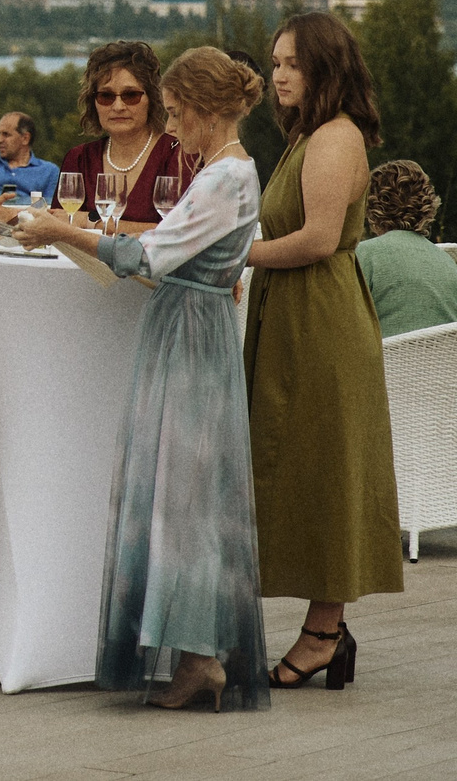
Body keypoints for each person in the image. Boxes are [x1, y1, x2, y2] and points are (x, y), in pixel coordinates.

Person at [16, 47, 272, 713]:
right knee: (186, 495)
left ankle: (199, 656)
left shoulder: (223, 178)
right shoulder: (231, 169)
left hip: (188, 335)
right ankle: (194, 653)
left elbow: (146, 253)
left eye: (180, 110)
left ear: (208, 109)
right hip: (194, 325)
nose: (174, 123)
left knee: (179, 496)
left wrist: (56, 229)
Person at [244, 11, 399, 690]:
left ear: (325, 69)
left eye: (292, 63)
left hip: (321, 319)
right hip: (293, 314)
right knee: (294, 466)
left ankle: (325, 632)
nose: (277, 73)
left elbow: (316, 237)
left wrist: (234, 254)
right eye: (275, 61)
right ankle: (321, 628)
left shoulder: (335, 139)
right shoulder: (309, 132)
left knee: (324, 471)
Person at [59, 42, 181, 229]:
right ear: (94, 103)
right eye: (106, 96)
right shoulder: (79, 159)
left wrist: (90, 222)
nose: (118, 106)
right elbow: (56, 227)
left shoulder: (178, 156)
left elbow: (180, 235)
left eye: (130, 95)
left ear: (152, 99)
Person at [354, 161, 457, 340]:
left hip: (386, 364)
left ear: (372, 207)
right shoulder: (450, 266)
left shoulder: (363, 256)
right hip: (444, 365)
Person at [0, 111, 60, 209]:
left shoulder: (49, 171)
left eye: (6, 134)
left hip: (27, 220)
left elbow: (51, 206)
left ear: (25, 138)